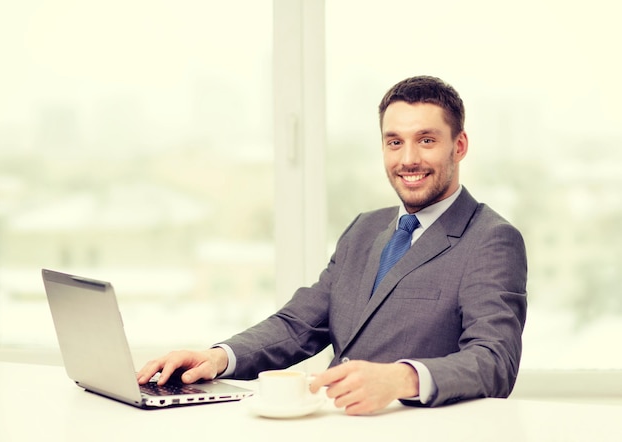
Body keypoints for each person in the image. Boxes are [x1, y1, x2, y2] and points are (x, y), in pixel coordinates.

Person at [137, 75, 528, 415]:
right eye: (394, 142)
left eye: (426, 140)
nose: (408, 159)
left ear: (458, 146)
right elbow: (298, 325)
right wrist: (216, 358)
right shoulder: (364, 229)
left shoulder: (491, 239)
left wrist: (402, 378)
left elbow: (495, 360)